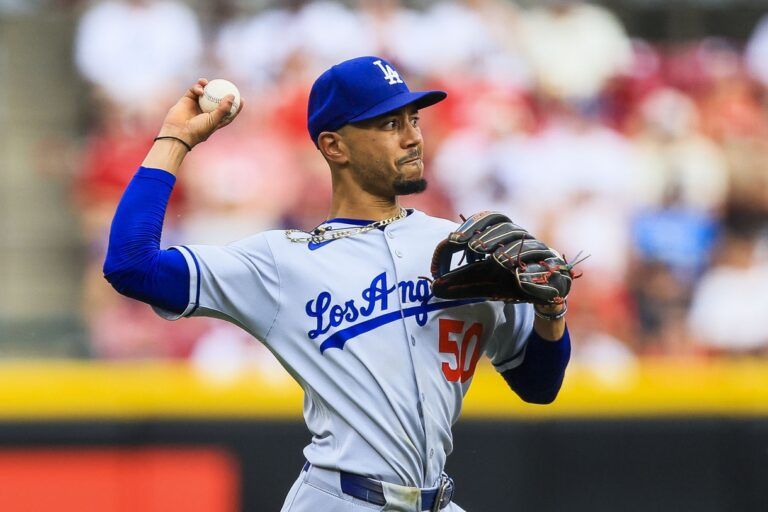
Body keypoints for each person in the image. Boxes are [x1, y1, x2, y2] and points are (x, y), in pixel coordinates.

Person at [103, 56, 572, 511]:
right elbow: (131, 264)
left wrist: (551, 314)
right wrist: (175, 139)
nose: (412, 137)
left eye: (414, 119)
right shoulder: (282, 262)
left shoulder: (462, 249)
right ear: (334, 147)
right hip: (340, 499)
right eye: (389, 124)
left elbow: (538, 385)